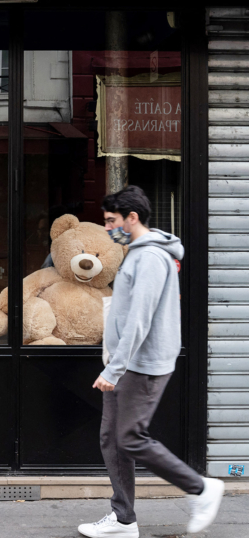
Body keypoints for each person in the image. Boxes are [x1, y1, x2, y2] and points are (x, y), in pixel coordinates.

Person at [78, 186, 224, 538]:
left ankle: (202, 489)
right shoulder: (137, 254)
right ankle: (123, 519)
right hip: (125, 362)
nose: (109, 227)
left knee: (129, 437)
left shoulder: (151, 258)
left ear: (132, 218)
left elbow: (139, 319)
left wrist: (114, 369)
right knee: (111, 439)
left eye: (112, 220)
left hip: (142, 365)